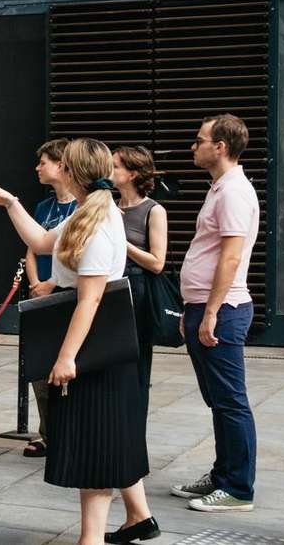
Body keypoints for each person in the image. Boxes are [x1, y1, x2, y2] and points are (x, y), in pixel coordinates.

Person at [0, 139, 155, 545]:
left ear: (72, 172)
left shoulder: (96, 222)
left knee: (96, 441)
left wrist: (66, 357)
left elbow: (91, 297)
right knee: (106, 438)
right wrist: (10, 204)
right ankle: (128, 520)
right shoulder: (85, 213)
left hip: (92, 343)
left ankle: (90, 540)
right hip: (91, 340)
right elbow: (42, 243)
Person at [172, 113, 259, 513]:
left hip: (222, 309)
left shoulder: (233, 192)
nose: (195, 146)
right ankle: (223, 473)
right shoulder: (220, 188)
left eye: (199, 139)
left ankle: (238, 488)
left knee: (230, 400)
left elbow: (231, 255)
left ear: (220, 146)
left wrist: (210, 312)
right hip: (204, 307)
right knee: (218, 400)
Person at [24, 138, 79, 459]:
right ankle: (48, 433)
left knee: (67, 365)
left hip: (65, 293)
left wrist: (53, 284)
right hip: (41, 294)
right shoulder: (44, 207)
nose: (38, 168)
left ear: (61, 165)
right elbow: (32, 248)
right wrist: (36, 283)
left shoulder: (82, 208)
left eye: (43, 162)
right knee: (39, 367)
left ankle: (71, 430)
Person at [114, 146, 169, 395]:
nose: (109, 171)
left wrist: (121, 242)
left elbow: (157, 262)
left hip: (137, 291)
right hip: (109, 286)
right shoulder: (110, 206)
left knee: (135, 361)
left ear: (133, 174)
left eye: (115, 166)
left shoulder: (154, 211)